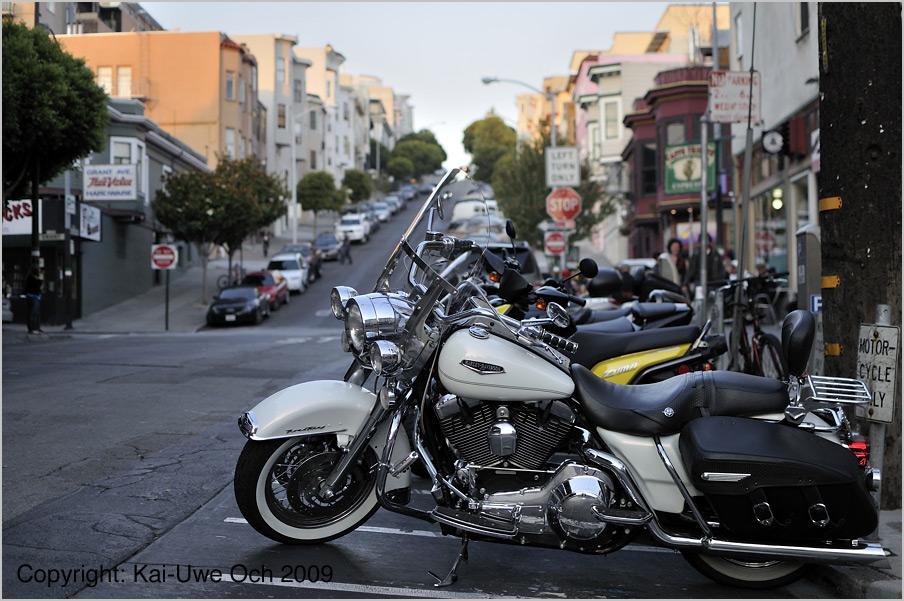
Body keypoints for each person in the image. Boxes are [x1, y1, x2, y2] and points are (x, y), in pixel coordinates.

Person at [25, 266, 43, 334]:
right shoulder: (31, 277)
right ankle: (32, 328)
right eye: (38, 270)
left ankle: (35, 327)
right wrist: (40, 280)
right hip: (33, 296)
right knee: (33, 312)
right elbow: (36, 285)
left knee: (35, 313)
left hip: (35, 296)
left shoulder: (32, 277)